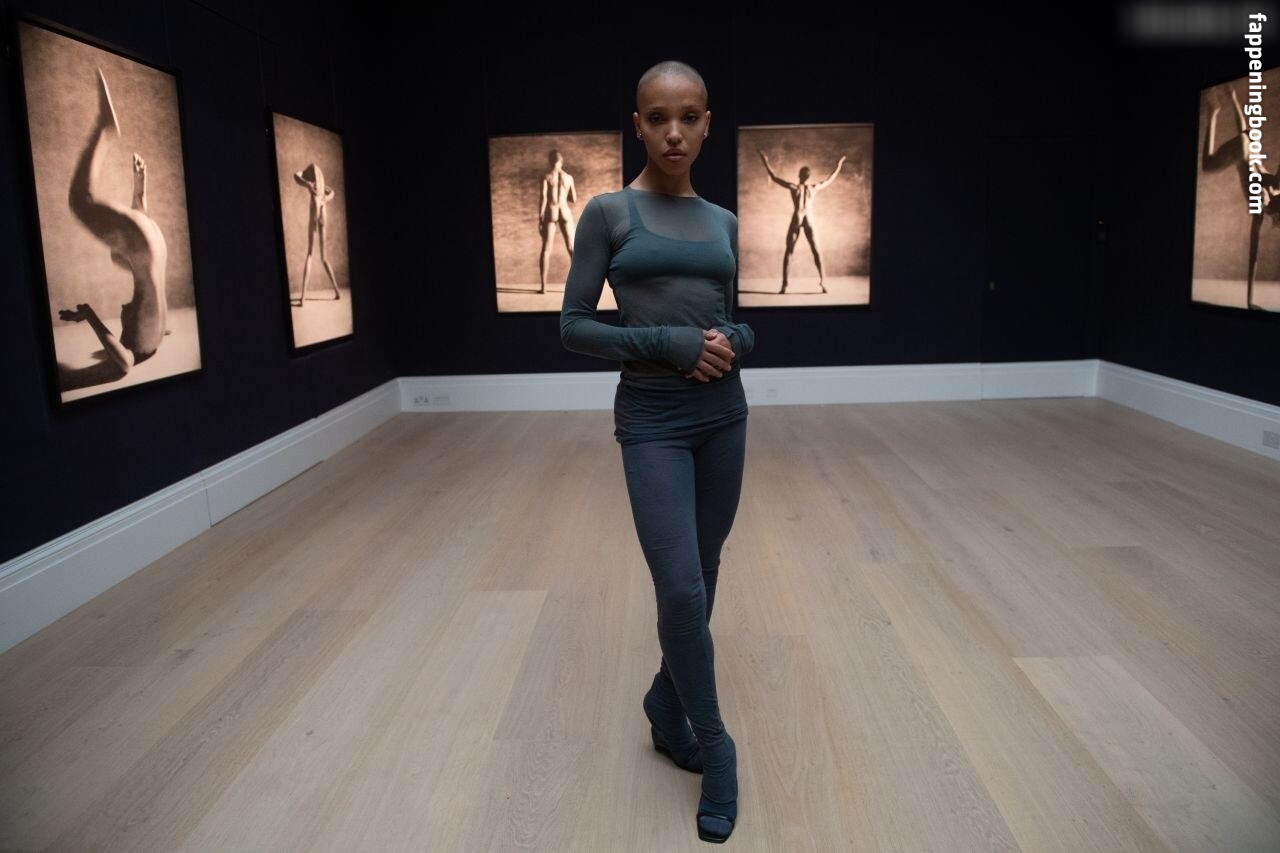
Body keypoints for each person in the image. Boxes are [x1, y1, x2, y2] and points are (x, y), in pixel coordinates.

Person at [560, 59, 754, 844]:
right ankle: (717, 744)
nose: (674, 131)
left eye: (689, 116)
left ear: (708, 123)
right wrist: (668, 343)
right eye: (658, 117)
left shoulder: (724, 221)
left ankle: (664, 704)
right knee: (679, 588)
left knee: (703, 574)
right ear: (636, 124)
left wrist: (734, 339)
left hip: (724, 416)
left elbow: (733, 320)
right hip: (652, 420)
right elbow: (573, 326)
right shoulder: (608, 213)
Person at [59, 68, 169, 385]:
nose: (123, 309)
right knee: (80, 201)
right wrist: (89, 315)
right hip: (147, 242)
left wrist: (140, 192)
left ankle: (136, 192)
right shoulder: (139, 345)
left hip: (154, 240)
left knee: (121, 258)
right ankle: (105, 129)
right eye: (125, 316)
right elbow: (123, 365)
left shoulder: (156, 334)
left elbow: (142, 244)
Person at [1201, 85, 1279, 310]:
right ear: (1275, 215)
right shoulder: (1260, 208)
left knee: (1244, 136)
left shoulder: (1275, 187)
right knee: (1207, 165)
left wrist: (1234, 99)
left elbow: (1245, 133)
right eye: (1277, 223)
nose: (1275, 226)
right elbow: (1253, 256)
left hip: (1248, 146)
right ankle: (1213, 113)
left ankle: (1218, 108)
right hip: (1242, 152)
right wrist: (1249, 300)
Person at [758, 150, 846, 293]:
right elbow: (829, 179)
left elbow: (774, 177)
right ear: (809, 177)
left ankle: (785, 284)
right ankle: (823, 282)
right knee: (816, 251)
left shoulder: (794, 187)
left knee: (789, 251)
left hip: (797, 218)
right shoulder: (813, 188)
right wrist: (839, 165)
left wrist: (765, 161)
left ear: (799, 176)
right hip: (809, 218)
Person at [293, 163, 342, 306]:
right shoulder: (321, 186)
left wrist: (307, 184)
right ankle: (337, 292)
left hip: (315, 207)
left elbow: (296, 175)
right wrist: (326, 198)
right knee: (324, 257)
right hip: (323, 209)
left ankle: (303, 298)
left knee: (310, 253)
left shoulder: (310, 181)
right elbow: (332, 192)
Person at [538, 149, 577, 293]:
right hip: (565, 212)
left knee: (546, 249)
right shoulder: (569, 178)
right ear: (561, 162)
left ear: (550, 161)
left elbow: (543, 198)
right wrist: (563, 194)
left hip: (551, 212)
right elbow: (573, 198)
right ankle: (577, 287)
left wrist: (540, 218)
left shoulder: (546, 176)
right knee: (572, 249)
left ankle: (543, 287)